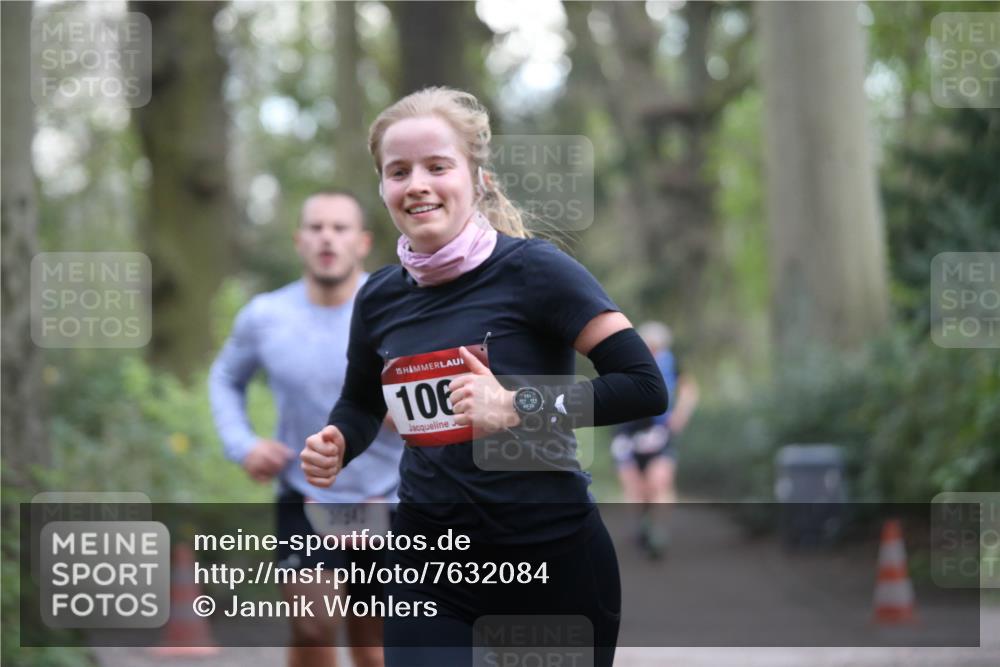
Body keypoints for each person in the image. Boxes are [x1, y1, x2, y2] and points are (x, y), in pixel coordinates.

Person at [299, 87, 668, 667]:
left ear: (477, 179)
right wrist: (339, 440)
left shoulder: (535, 271)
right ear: (383, 188)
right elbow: (362, 404)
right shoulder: (379, 297)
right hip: (429, 564)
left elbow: (644, 384)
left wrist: (517, 405)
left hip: (550, 561)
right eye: (398, 171)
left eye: (437, 166)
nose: (416, 184)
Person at [209, 192, 404, 667]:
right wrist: (242, 444)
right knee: (315, 624)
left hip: (391, 496)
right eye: (316, 228)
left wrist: (408, 412)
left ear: (362, 242)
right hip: (307, 493)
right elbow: (225, 377)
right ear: (299, 241)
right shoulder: (265, 316)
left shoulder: (396, 308)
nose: (327, 238)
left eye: (340, 228)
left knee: (374, 648)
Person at [611, 321, 699, 559]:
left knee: (660, 481)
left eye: (657, 346)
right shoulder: (625, 363)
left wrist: (679, 417)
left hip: (660, 434)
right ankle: (642, 525)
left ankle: (658, 532)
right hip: (627, 436)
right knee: (634, 487)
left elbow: (689, 390)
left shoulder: (671, 364)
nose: (653, 350)